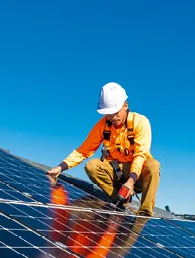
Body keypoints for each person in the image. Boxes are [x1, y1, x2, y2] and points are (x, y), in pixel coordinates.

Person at [47, 82, 161, 216]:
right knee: (92, 166)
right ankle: (119, 201)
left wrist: (131, 180)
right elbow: (84, 150)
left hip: (138, 174)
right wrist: (61, 167)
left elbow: (140, 155)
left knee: (153, 165)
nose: (113, 117)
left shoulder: (141, 122)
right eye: (109, 114)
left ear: (125, 105)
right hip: (116, 173)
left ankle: (144, 213)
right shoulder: (103, 125)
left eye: (115, 112)